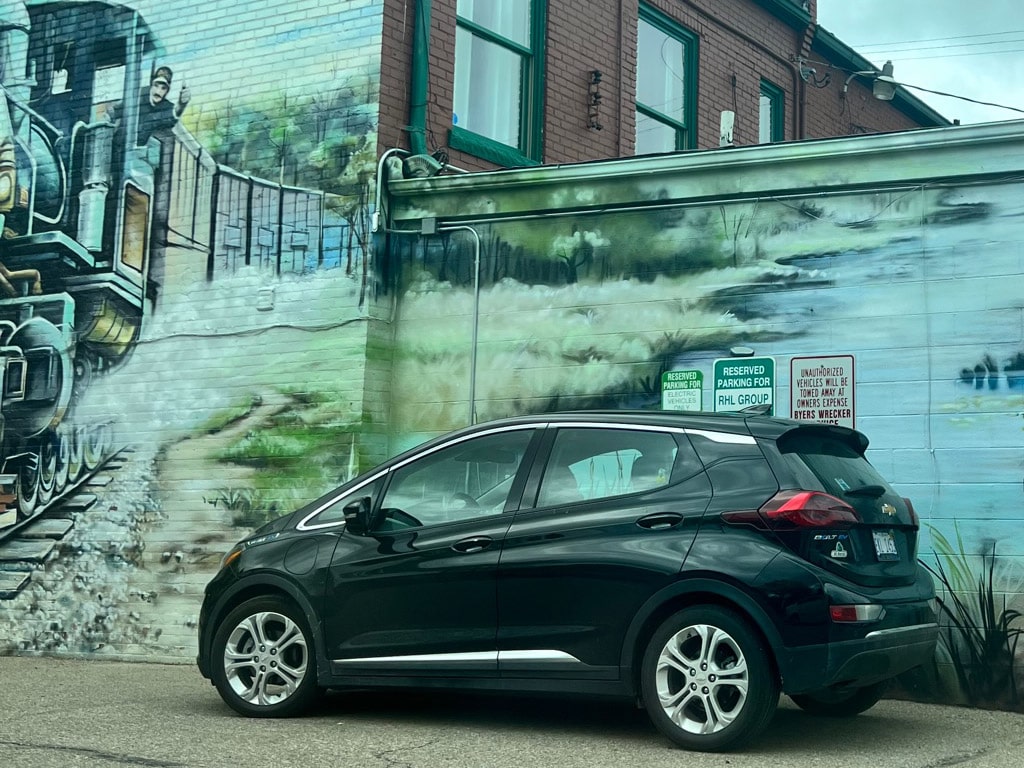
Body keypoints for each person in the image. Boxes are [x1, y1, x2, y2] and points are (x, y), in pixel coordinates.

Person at [134, 65, 190, 146]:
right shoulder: (137, 97)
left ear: (167, 91)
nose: (158, 92)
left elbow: (173, 113)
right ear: (151, 85)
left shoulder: (166, 107)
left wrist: (182, 105)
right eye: (156, 86)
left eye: (163, 88)